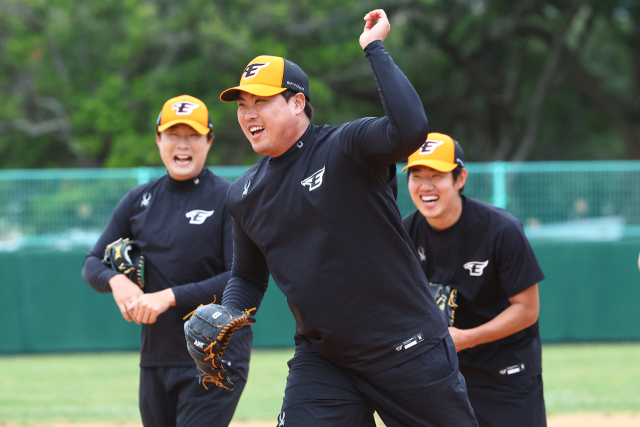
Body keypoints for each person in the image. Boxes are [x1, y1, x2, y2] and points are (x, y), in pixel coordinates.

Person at [214, 9, 478, 427]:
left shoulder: (345, 147)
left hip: (406, 349)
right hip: (326, 359)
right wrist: (228, 315)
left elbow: (411, 130)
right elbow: (247, 275)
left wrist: (374, 48)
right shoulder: (243, 193)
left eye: (261, 101)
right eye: (243, 104)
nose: (248, 114)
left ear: (297, 102)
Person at [81, 95, 251, 427]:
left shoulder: (228, 198)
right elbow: (92, 263)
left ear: (209, 141)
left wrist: (166, 297)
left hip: (214, 358)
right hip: (157, 358)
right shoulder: (139, 201)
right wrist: (117, 281)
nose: (182, 145)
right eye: (173, 134)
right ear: (159, 139)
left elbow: (237, 278)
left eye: (193, 135)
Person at [401, 132, 547, 427]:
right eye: (417, 175)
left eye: (437, 175)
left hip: (506, 372)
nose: (426, 186)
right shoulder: (404, 232)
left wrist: (466, 338)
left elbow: (527, 310)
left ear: (460, 178)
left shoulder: (500, 230)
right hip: (445, 374)